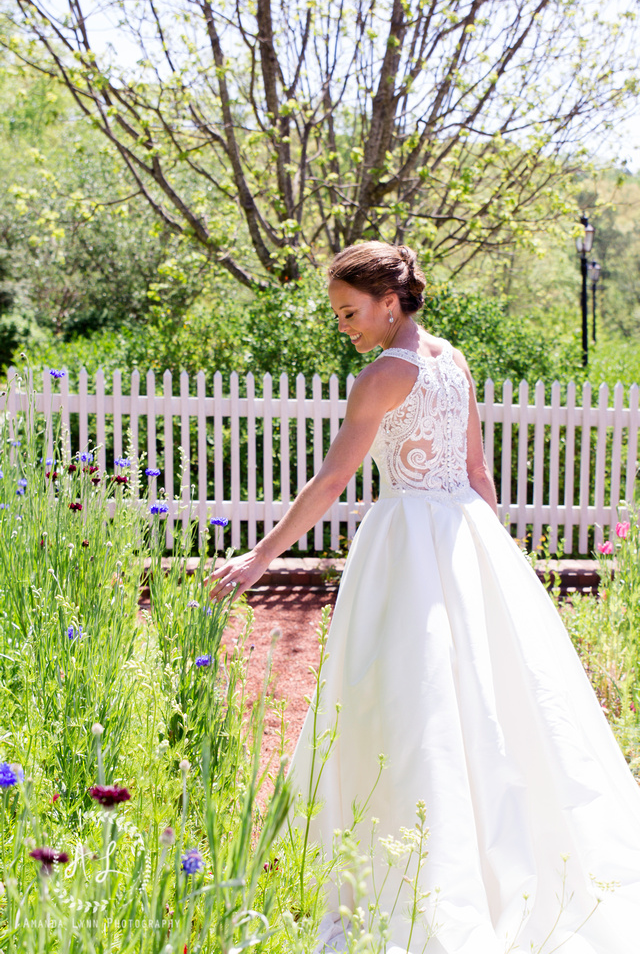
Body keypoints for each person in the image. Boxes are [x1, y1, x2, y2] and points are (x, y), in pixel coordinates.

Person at [207, 242, 640, 954]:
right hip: (468, 535)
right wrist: (494, 565)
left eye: (349, 312)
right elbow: (477, 472)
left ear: (388, 301)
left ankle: (414, 876)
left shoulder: (382, 376)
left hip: (409, 541)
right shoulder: (452, 359)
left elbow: (330, 483)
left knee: (408, 698)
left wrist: (261, 557)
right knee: (484, 697)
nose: (343, 325)